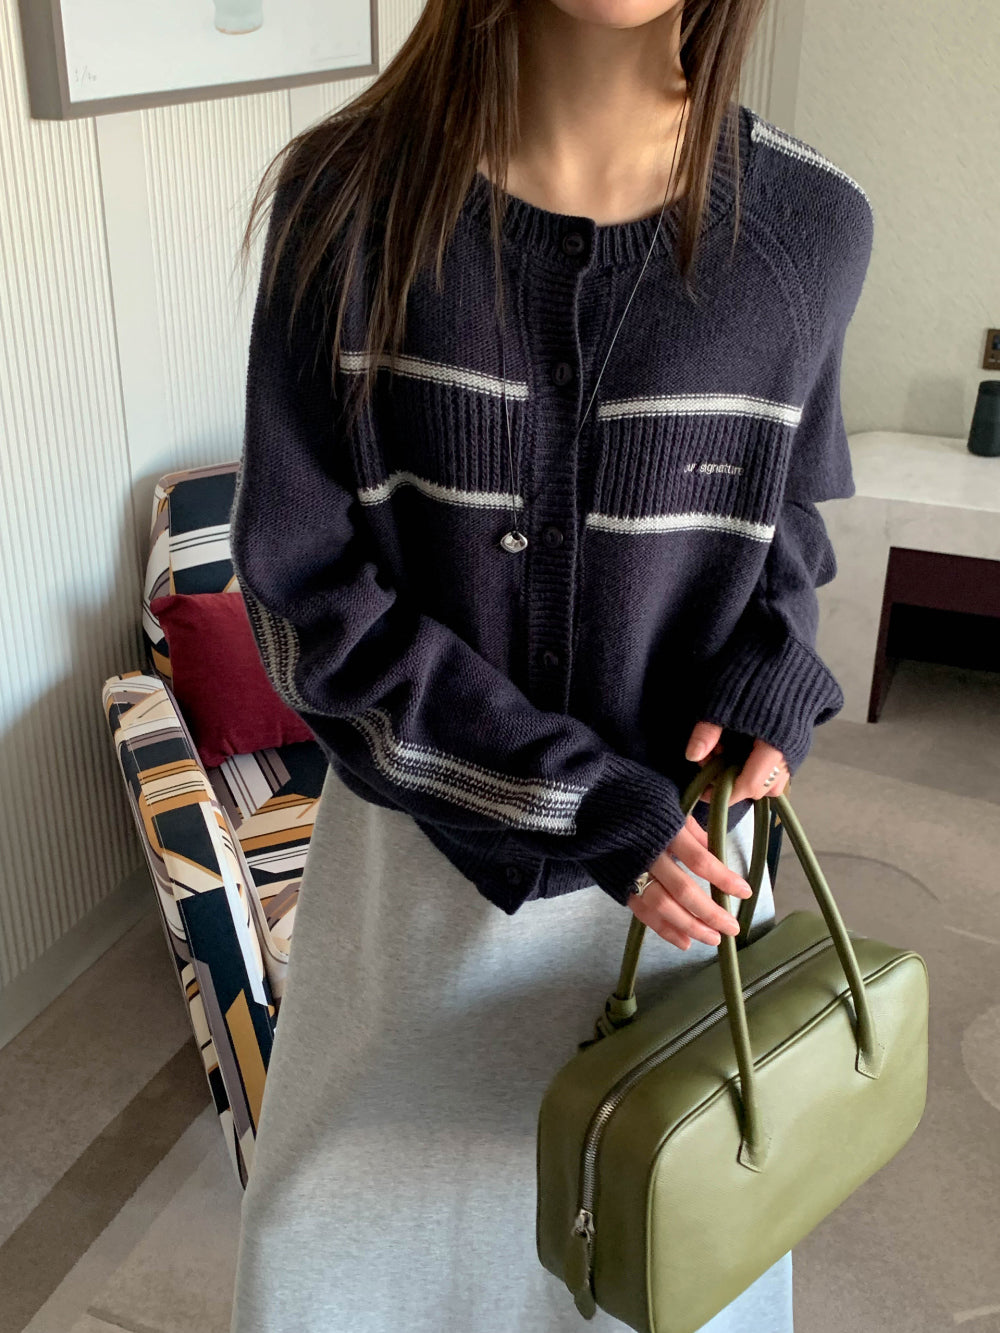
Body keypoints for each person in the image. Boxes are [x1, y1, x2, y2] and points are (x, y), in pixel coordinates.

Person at [227, 0, 873, 1328]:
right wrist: (576, 800)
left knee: (664, 1257)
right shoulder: (344, 203)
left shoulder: (811, 227)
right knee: (340, 1272)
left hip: (688, 909)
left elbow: (786, 512)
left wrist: (776, 666)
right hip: (417, 904)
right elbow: (303, 597)